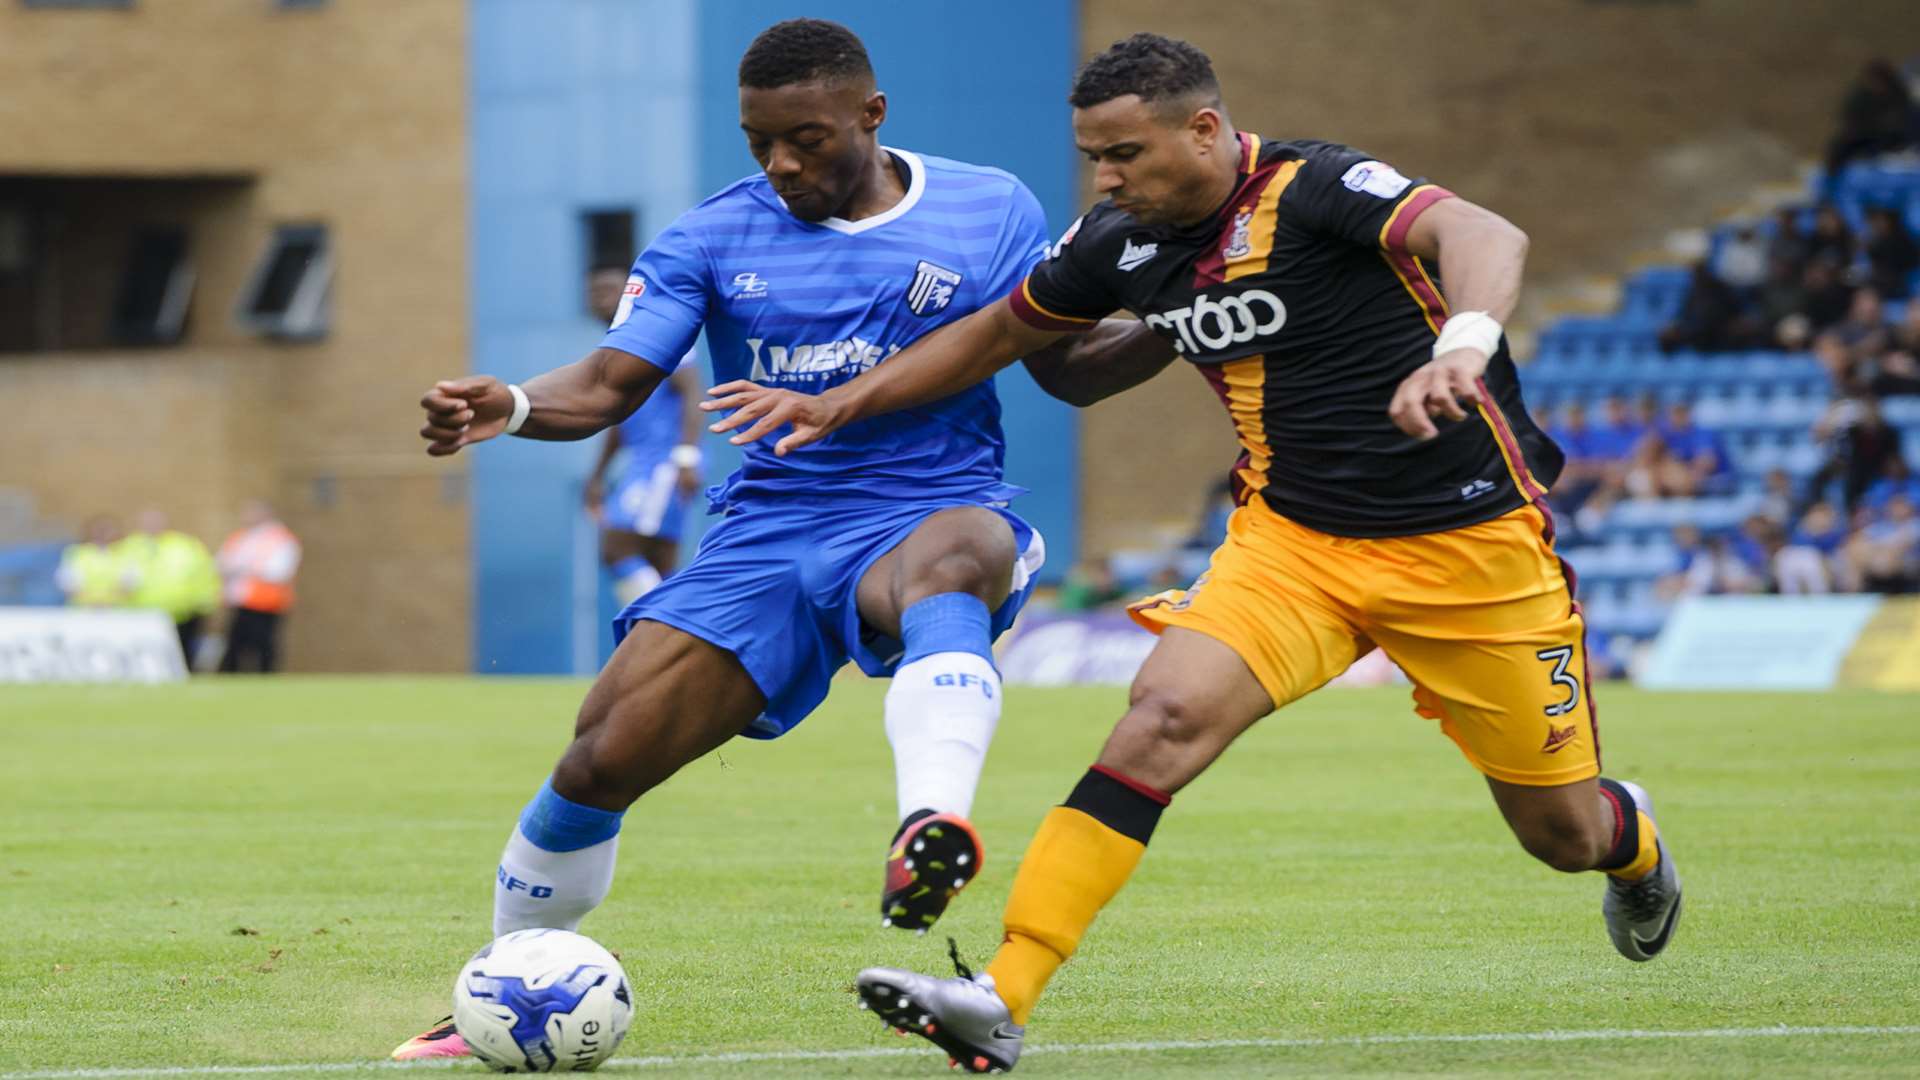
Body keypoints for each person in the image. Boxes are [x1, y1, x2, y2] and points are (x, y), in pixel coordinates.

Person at [708, 33, 1681, 1073]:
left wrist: (1461, 347)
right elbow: (1011, 341)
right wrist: (836, 402)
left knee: (1562, 836)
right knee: (1160, 718)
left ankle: (1637, 846)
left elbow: (1482, 232)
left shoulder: (1317, 186)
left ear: (1205, 130)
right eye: (1093, 156)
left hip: (1470, 552)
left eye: (1124, 153)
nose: (1105, 178)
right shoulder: (1124, 238)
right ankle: (1001, 996)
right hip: (1292, 547)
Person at [391, 19, 1167, 1063]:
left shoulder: (992, 207)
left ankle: (928, 828)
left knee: (957, 563)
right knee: (603, 750)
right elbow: (612, 384)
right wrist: (519, 404)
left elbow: (1061, 367)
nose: (781, 164)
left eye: (805, 138)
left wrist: (1179, 323)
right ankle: (506, 980)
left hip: (931, 503)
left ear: (871, 114)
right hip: (769, 533)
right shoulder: (712, 238)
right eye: (760, 142)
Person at [580, 265, 705, 604]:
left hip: (664, 463)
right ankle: (680, 634)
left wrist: (686, 456)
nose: (601, 297)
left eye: (611, 288)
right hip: (642, 462)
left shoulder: (656, 333)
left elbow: (693, 392)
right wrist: (597, 476)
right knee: (660, 563)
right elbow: (619, 421)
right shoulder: (616, 346)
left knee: (615, 547)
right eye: (594, 291)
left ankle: (656, 627)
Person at [121, 509, 221, 668]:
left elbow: (203, 573)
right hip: (142, 613)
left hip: (181, 612)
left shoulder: (183, 545)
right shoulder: (129, 547)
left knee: (183, 653)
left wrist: (205, 602)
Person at [215, 501, 301, 673]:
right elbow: (222, 563)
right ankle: (229, 677)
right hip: (241, 601)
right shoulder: (241, 537)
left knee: (263, 645)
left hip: (266, 603)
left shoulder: (280, 538)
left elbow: (279, 572)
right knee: (234, 645)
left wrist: (246, 568)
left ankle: (266, 677)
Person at [55, 514, 134, 608]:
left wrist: (107, 602)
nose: (103, 532)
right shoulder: (76, 553)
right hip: (82, 613)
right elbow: (67, 583)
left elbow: (130, 583)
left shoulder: (125, 553)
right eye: (99, 528)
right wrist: (91, 602)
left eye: (108, 528)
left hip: (117, 613)